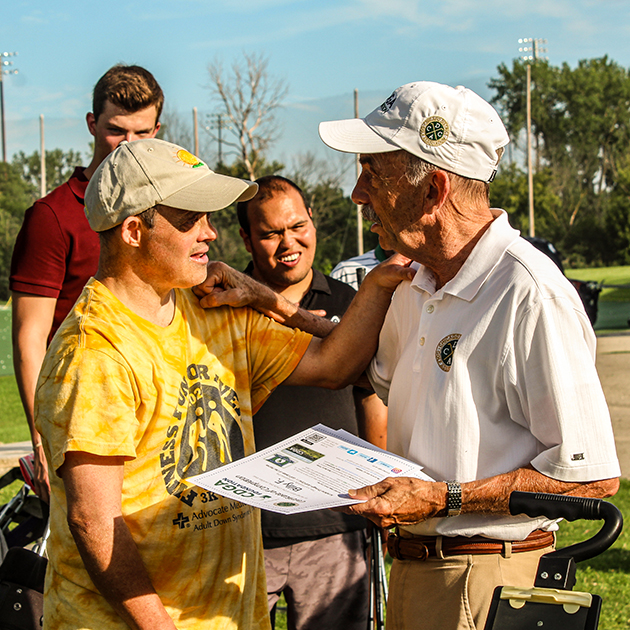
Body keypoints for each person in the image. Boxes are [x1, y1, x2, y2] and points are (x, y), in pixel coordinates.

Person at [34, 138, 413, 629]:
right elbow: (95, 522)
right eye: (191, 219)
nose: (210, 234)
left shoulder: (212, 307)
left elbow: (335, 364)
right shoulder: (94, 349)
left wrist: (374, 283)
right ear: (132, 230)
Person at [316, 81, 621, 630]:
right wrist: (270, 303)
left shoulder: (529, 292)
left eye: (372, 174)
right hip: (416, 570)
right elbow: (368, 371)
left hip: (486, 581)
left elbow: (588, 478)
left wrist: (441, 498)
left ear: (433, 190)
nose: (357, 195)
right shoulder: (416, 281)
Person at [237, 175, 387, 630]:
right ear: (246, 238)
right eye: (270, 233)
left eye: (297, 226)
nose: (289, 243)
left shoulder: (355, 303)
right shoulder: (223, 307)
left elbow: (374, 402)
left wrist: (379, 489)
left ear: (313, 222)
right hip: (245, 530)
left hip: (335, 525)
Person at [10, 64, 163, 502]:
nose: (129, 146)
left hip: (157, 421)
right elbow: (30, 337)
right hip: (82, 425)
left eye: (142, 133)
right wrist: (42, 441)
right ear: (92, 124)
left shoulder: (172, 213)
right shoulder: (52, 216)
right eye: (116, 131)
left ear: (158, 128)